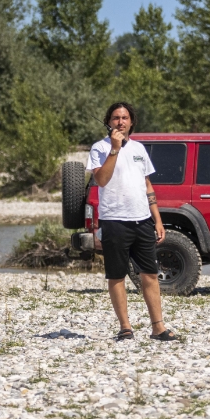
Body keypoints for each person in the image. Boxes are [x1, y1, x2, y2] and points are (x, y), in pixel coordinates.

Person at [87, 102, 180, 341]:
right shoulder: (99, 148)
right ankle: (125, 327)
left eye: (125, 118)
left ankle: (158, 328)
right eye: (116, 118)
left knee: (150, 274)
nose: (120, 122)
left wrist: (157, 219)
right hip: (114, 221)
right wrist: (115, 150)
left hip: (142, 220)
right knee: (116, 275)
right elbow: (101, 180)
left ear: (131, 122)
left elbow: (147, 185)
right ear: (108, 122)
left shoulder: (139, 148)